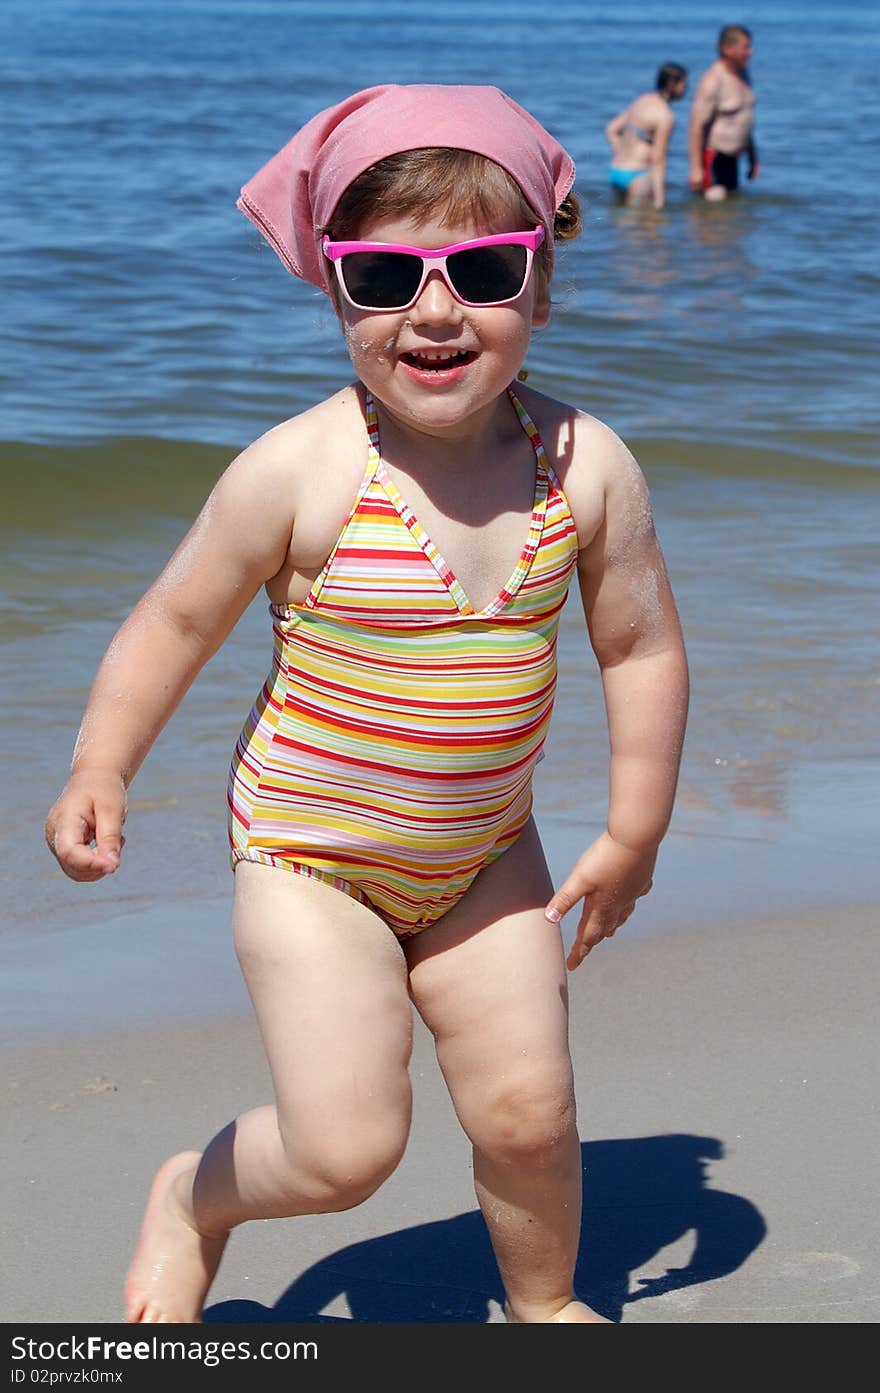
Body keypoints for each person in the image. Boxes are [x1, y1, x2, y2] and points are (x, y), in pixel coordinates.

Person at [44, 83, 689, 1325]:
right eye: (387, 276)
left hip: (488, 855)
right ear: (335, 289)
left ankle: (543, 1304)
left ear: (540, 289)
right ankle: (192, 1194)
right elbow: (176, 621)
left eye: (484, 268)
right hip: (309, 855)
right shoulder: (301, 471)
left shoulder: (585, 466)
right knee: (345, 1149)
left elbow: (641, 646)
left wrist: (633, 830)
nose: (435, 310)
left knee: (530, 1114)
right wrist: (102, 764)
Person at [688, 24, 759, 201]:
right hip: (714, 158)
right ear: (727, 49)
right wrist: (696, 169)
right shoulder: (713, 81)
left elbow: (744, 118)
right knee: (712, 218)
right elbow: (696, 125)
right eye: (745, 47)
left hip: (733, 159)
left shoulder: (743, 74)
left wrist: (753, 157)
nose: (750, 52)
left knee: (730, 216)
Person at [605, 63, 689, 211]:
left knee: (621, 226)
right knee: (642, 230)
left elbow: (611, 129)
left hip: (617, 170)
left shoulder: (642, 100)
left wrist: (621, 153)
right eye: (684, 84)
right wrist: (659, 200)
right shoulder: (665, 116)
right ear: (671, 83)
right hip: (638, 175)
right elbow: (658, 158)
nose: (686, 89)